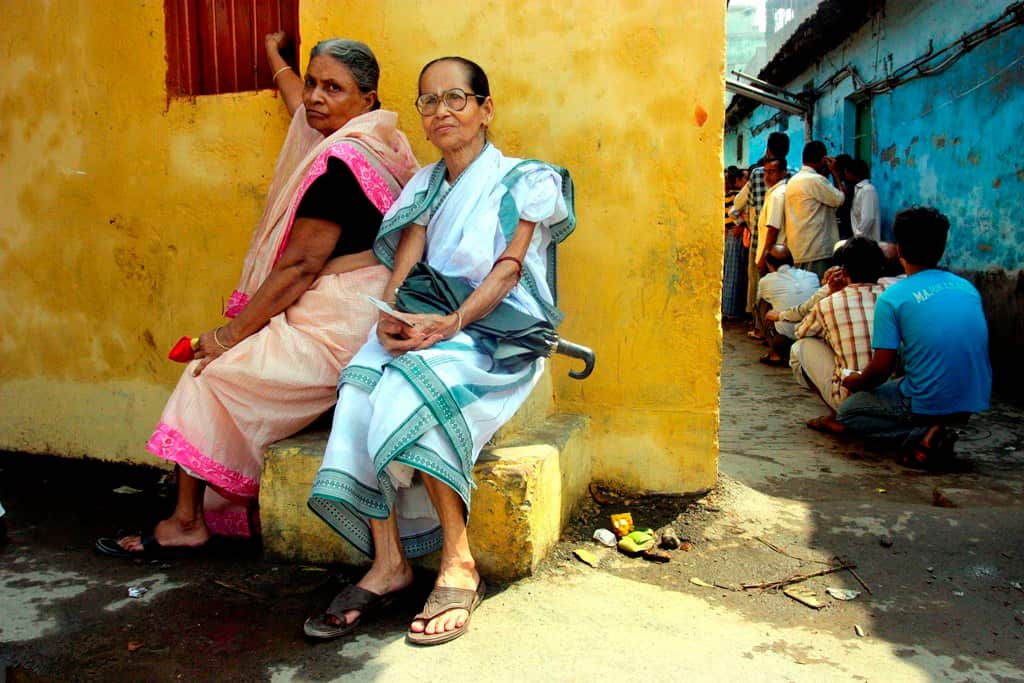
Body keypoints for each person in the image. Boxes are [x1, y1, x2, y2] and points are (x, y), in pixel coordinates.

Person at [96, 34, 418, 557]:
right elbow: (299, 107)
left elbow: (298, 268)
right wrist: (276, 59)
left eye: (332, 88)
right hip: (361, 309)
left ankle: (187, 522)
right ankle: (211, 510)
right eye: (312, 83)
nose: (315, 97)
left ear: (367, 98)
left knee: (208, 375)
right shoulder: (385, 142)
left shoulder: (339, 165)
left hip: (338, 329)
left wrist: (228, 336)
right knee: (227, 365)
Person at [304, 57, 574, 646]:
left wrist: (452, 323)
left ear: (485, 109)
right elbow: (404, 266)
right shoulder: (425, 185)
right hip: (427, 321)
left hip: (494, 331)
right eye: (428, 101)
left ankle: (458, 561)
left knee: (414, 384)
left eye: (456, 98)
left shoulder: (528, 178)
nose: (441, 111)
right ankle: (388, 562)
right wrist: (391, 318)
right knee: (360, 381)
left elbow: (509, 269)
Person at [839, 207, 992, 467]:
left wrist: (857, 381)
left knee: (848, 413)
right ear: (941, 249)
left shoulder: (893, 298)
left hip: (927, 399)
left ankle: (924, 434)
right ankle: (940, 427)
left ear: (899, 250)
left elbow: (881, 369)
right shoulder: (967, 288)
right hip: (973, 397)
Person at [790, 237, 886, 431]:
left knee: (800, 347)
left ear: (844, 271)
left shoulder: (830, 302)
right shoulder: (893, 295)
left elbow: (801, 331)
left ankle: (837, 416)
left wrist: (831, 294)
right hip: (890, 392)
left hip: (850, 394)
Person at [731, 132, 790, 339]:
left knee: (759, 286)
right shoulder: (791, 175)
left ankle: (760, 327)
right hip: (786, 244)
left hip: (760, 240)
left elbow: (738, 205)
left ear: (768, 149)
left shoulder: (757, 174)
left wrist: (744, 224)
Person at [782, 141, 845, 278]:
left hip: (797, 250)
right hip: (816, 250)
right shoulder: (815, 180)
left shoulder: (794, 180)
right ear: (823, 160)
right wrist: (835, 174)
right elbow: (839, 199)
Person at [755, 245, 819, 366]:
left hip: (786, 338)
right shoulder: (812, 276)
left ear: (769, 265)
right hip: (812, 335)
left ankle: (775, 353)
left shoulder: (766, 281)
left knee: (761, 302)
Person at [722, 166, 748, 320]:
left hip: (735, 235)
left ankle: (731, 310)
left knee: (734, 273)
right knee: (731, 273)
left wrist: (741, 225)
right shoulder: (724, 196)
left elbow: (741, 214)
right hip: (729, 235)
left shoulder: (734, 195)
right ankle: (729, 310)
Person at [846, 158, 881, 242]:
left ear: (853, 173)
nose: (845, 174)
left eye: (846, 172)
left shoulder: (868, 190)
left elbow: (868, 218)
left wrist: (857, 237)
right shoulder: (858, 190)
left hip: (867, 242)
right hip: (861, 241)